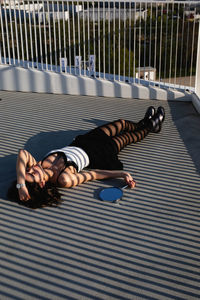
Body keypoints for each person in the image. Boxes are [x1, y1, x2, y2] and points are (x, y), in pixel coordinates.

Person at [7, 106, 165, 209]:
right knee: (129, 138)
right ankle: (151, 126)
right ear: (42, 183)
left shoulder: (40, 164)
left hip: (83, 141)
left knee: (121, 123)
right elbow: (94, 174)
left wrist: (21, 185)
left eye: (28, 169)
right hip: (98, 152)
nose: (32, 168)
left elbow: (22, 153)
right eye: (33, 173)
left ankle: (143, 122)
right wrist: (122, 174)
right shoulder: (64, 179)